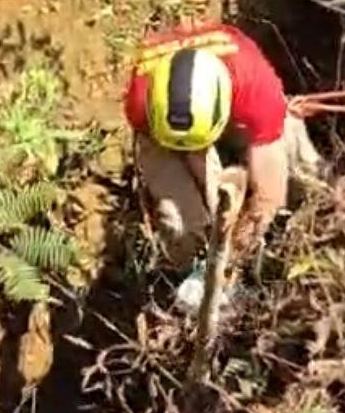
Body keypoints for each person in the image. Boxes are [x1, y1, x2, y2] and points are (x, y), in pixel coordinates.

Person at [123, 22, 321, 269]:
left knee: (297, 154)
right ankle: (187, 269)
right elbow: (189, 157)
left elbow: (269, 198)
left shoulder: (256, 89)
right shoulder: (140, 103)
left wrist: (231, 256)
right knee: (181, 224)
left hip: (244, 102)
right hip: (161, 131)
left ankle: (314, 214)